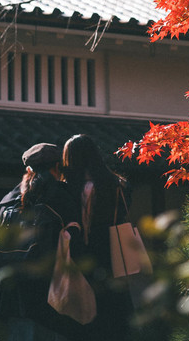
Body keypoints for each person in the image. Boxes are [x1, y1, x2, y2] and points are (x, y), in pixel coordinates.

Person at [0, 142, 86, 341]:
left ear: (27, 169)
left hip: (8, 301)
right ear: (58, 167)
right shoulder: (63, 199)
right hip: (50, 300)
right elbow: (76, 245)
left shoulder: (7, 202)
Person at [62, 134, 135, 340]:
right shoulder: (116, 184)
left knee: (84, 306)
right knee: (115, 303)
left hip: (83, 249)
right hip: (111, 244)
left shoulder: (70, 187)